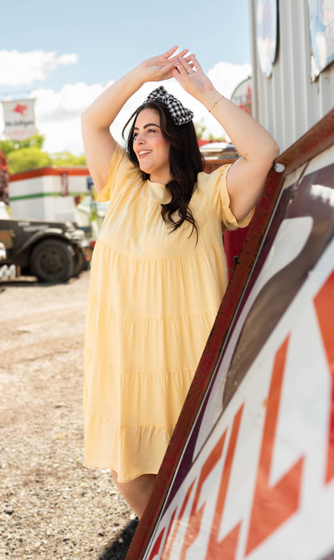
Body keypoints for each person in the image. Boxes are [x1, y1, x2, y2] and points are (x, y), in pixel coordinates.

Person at [81, 46, 280, 519]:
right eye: (136, 132)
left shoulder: (211, 195)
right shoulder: (123, 185)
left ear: (175, 139)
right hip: (127, 362)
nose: (140, 140)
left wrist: (204, 93)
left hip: (189, 361)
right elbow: (91, 121)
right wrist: (140, 75)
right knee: (131, 478)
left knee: (205, 473)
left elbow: (264, 152)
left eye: (152, 130)